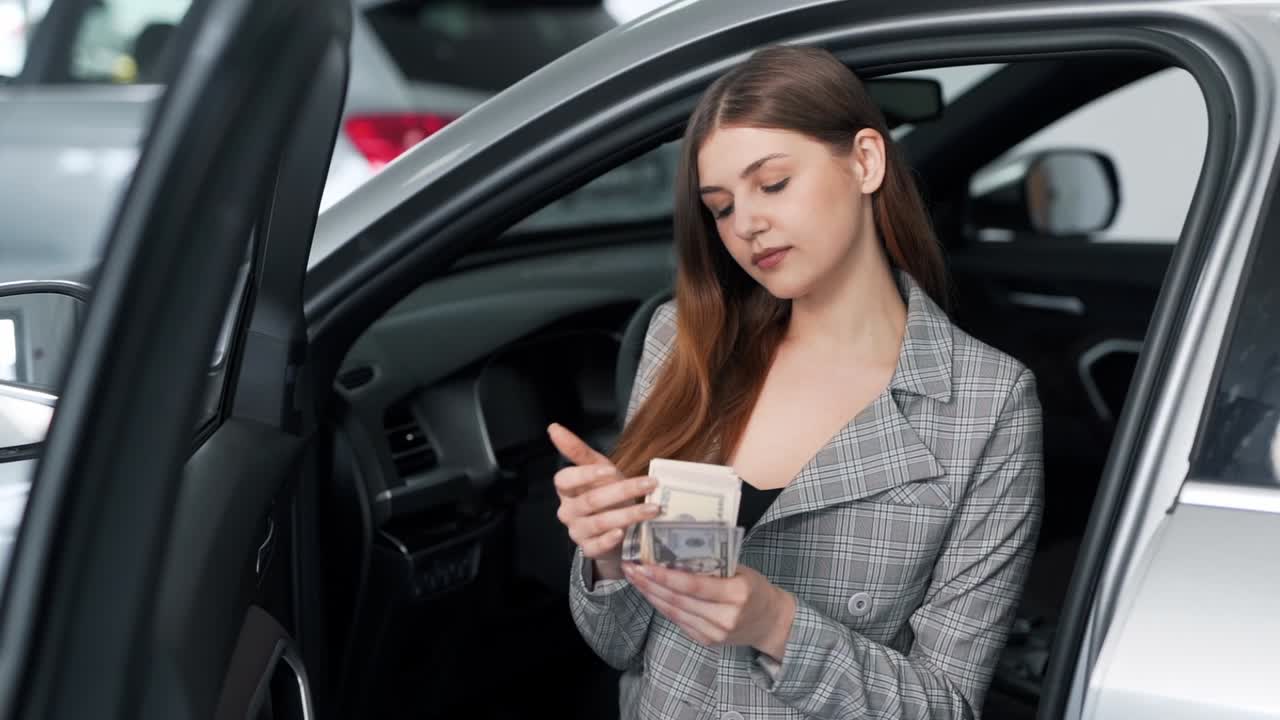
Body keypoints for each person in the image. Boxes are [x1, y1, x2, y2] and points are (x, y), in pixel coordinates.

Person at [548, 44, 1044, 720]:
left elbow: (945, 707)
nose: (746, 224)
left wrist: (775, 624)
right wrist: (608, 558)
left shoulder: (987, 406)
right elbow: (621, 645)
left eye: (773, 183)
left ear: (866, 161)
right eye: (720, 207)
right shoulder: (686, 340)